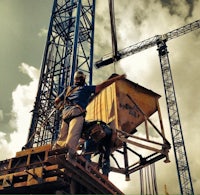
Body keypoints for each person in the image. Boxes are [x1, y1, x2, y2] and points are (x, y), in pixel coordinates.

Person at [52, 70, 125, 158]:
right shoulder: (85, 89)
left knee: (62, 138)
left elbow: (56, 101)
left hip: (65, 114)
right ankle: (69, 157)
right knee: (73, 137)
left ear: (75, 79)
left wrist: (61, 105)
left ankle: (53, 154)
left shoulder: (68, 89)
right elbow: (102, 86)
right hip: (76, 113)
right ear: (83, 79)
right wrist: (118, 78)